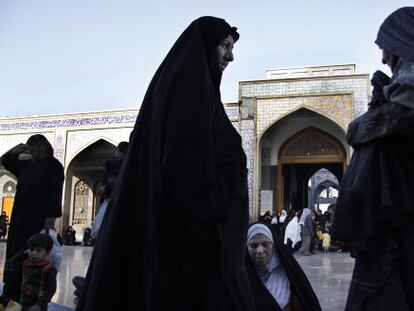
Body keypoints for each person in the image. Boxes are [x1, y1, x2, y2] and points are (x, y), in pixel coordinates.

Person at [77, 17, 257, 311]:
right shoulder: (189, 90)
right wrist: (215, 211)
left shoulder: (190, 87)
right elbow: (185, 169)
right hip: (191, 245)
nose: (230, 55)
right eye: (224, 45)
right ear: (206, 45)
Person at [333, 7, 414, 310]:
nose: (383, 59)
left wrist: (367, 121)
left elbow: (368, 127)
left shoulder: (407, 91)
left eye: (386, 48)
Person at [0, 134, 64, 303]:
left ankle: (28, 295)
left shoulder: (53, 165)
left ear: (42, 146)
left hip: (37, 218)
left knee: (31, 253)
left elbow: (56, 190)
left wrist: (51, 214)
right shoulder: (28, 166)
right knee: (15, 255)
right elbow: (5, 161)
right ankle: (11, 293)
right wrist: (15, 150)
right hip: (20, 217)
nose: (29, 149)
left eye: (32, 146)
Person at [246, 222, 321, 311]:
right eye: (254, 246)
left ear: (273, 246)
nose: (260, 250)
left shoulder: (289, 278)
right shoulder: (240, 281)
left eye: (265, 244)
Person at [20, 233, 57, 311]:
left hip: (38, 306)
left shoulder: (48, 269)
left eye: (38, 250)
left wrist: (39, 305)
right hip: (24, 302)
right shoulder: (26, 264)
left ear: (47, 252)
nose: (34, 253)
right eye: (31, 250)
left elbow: (51, 289)